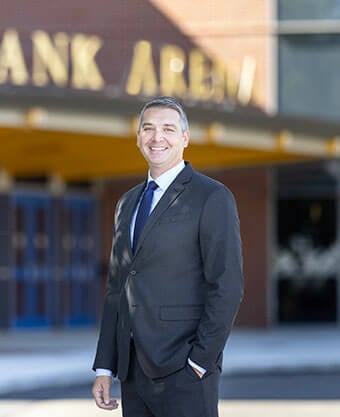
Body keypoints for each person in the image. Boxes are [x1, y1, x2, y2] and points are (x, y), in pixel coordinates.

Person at [92, 96, 243, 417]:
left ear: (185, 139)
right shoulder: (127, 203)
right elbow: (116, 289)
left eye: (168, 129)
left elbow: (227, 286)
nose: (156, 137)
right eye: (148, 129)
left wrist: (201, 362)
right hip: (131, 372)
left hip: (184, 371)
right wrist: (105, 366)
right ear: (138, 138)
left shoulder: (211, 197)